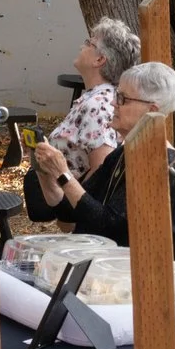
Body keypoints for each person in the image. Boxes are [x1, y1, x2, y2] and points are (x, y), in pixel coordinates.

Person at [32, 63, 175, 263]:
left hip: (148, 279)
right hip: (109, 268)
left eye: (122, 99)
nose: (113, 104)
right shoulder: (123, 153)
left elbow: (108, 225)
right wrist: (46, 171)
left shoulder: (161, 163)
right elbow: (71, 210)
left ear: (152, 110)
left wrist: (64, 174)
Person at [29, 18, 140, 224]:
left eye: (90, 43)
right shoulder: (94, 98)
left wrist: (74, 219)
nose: (83, 46)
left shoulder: (98, 104)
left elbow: (100, 176)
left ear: (100, 60)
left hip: (82, 226)